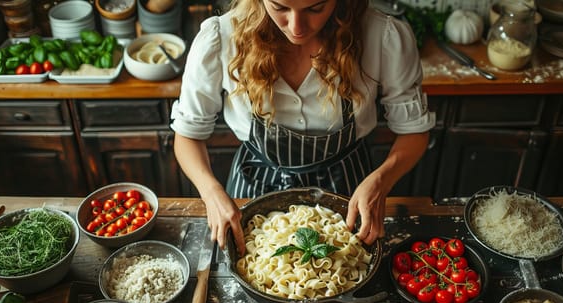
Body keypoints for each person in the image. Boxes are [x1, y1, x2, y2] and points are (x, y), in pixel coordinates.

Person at [170, 0, 435, 253]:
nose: (297, 27)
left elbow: (413, 131)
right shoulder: (220, 37)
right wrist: (211, 192)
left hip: (348, 186)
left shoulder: (382, 36)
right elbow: (187, 136)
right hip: (253, 188)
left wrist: (382, 181)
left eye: (316, 8)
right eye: (279, 7)